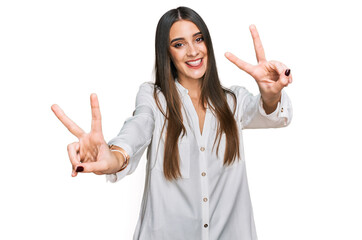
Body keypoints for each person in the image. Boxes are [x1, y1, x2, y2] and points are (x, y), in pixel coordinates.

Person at [51, 6, 292, 240]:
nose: (193, 51)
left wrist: (271, 93)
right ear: (166, 52)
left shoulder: (233, 101)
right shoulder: (154, 99)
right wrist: (113, 156)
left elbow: (270, 113)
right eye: (179, 44)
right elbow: (138, 127)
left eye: (198, 39)